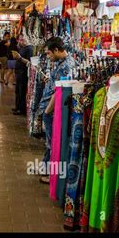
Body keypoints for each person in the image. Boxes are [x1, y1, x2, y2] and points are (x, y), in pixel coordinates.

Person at [38, 37, 75, 184]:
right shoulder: (62, 63)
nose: (48, 56)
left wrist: (47, 110)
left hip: (53, 110)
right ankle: (45, 167)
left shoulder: (66, 66)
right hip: (51, 109)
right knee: (50, 142)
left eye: (49, 53)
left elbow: (58, 92)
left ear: (56, 50)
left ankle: (52, 176)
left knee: (54, 143)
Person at [12, 34, 33, 115]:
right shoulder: (22, 48)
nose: (20, 42)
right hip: (19, 72)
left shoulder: (29, 49)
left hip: (23, 73)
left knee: (22, 91)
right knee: (18, 91)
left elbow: (29, 62)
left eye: (22, 40)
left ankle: (22, 109)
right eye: (20, 40)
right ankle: (17, 107)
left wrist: (19, 58)